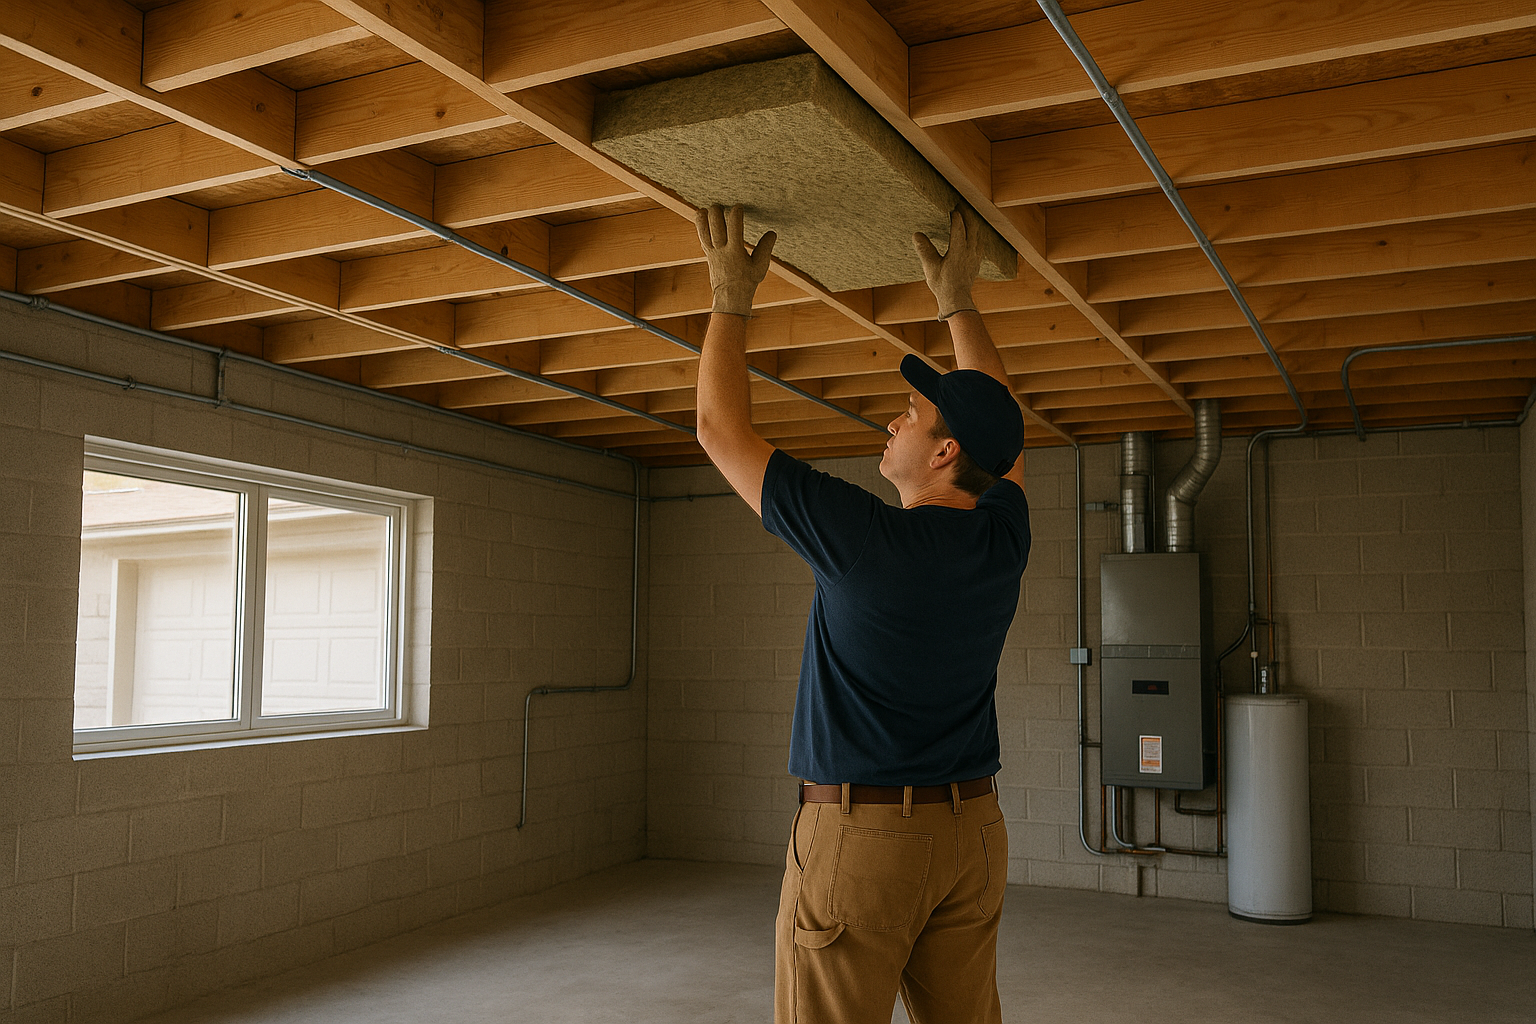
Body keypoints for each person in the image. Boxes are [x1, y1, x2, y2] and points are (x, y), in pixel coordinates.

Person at [693, 203, 1030, 1024]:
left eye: (913, 417)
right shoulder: (1001, 533)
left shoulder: (865, 537)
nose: (896, 419)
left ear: (945, 453)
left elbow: (717, 429)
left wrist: (729, 293)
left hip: (866, 842)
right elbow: (1003, 442)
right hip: (973, 836)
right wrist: (960, 301)